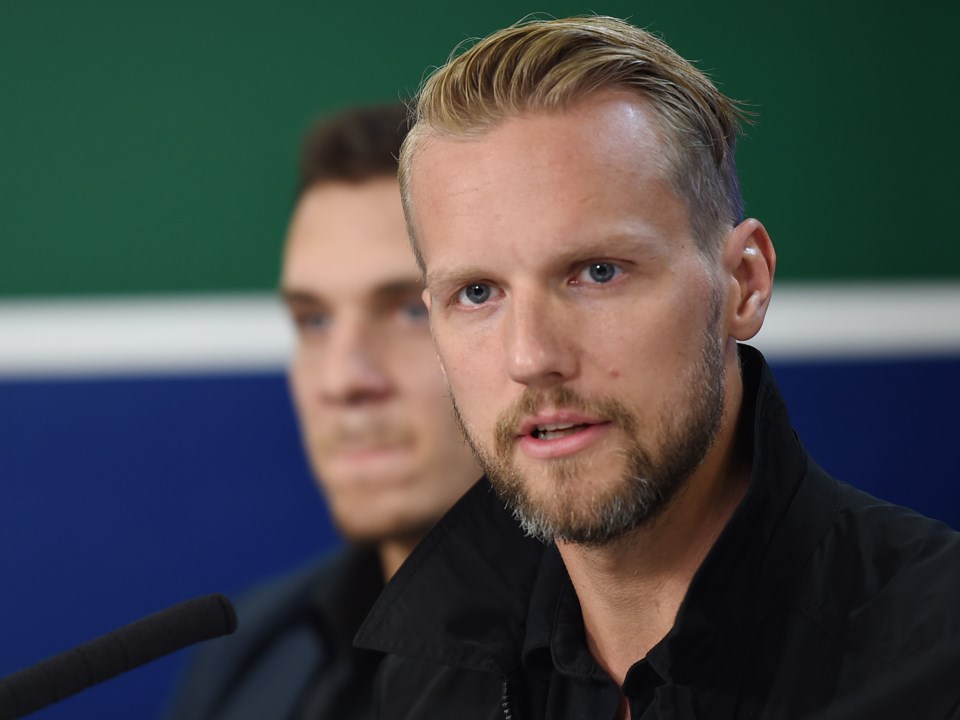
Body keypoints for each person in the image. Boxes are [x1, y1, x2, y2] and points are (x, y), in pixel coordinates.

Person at [354, 17, 960, 719]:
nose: (532, 358)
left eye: (598, 272)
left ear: (744, 283)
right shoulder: (427, 688)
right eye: (478, 294)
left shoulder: (939, 659)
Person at [165, 104, 481, 720]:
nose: (342, 380)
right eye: (313, 321)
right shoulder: (243, 654)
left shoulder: (621, 666)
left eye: (409, 311)